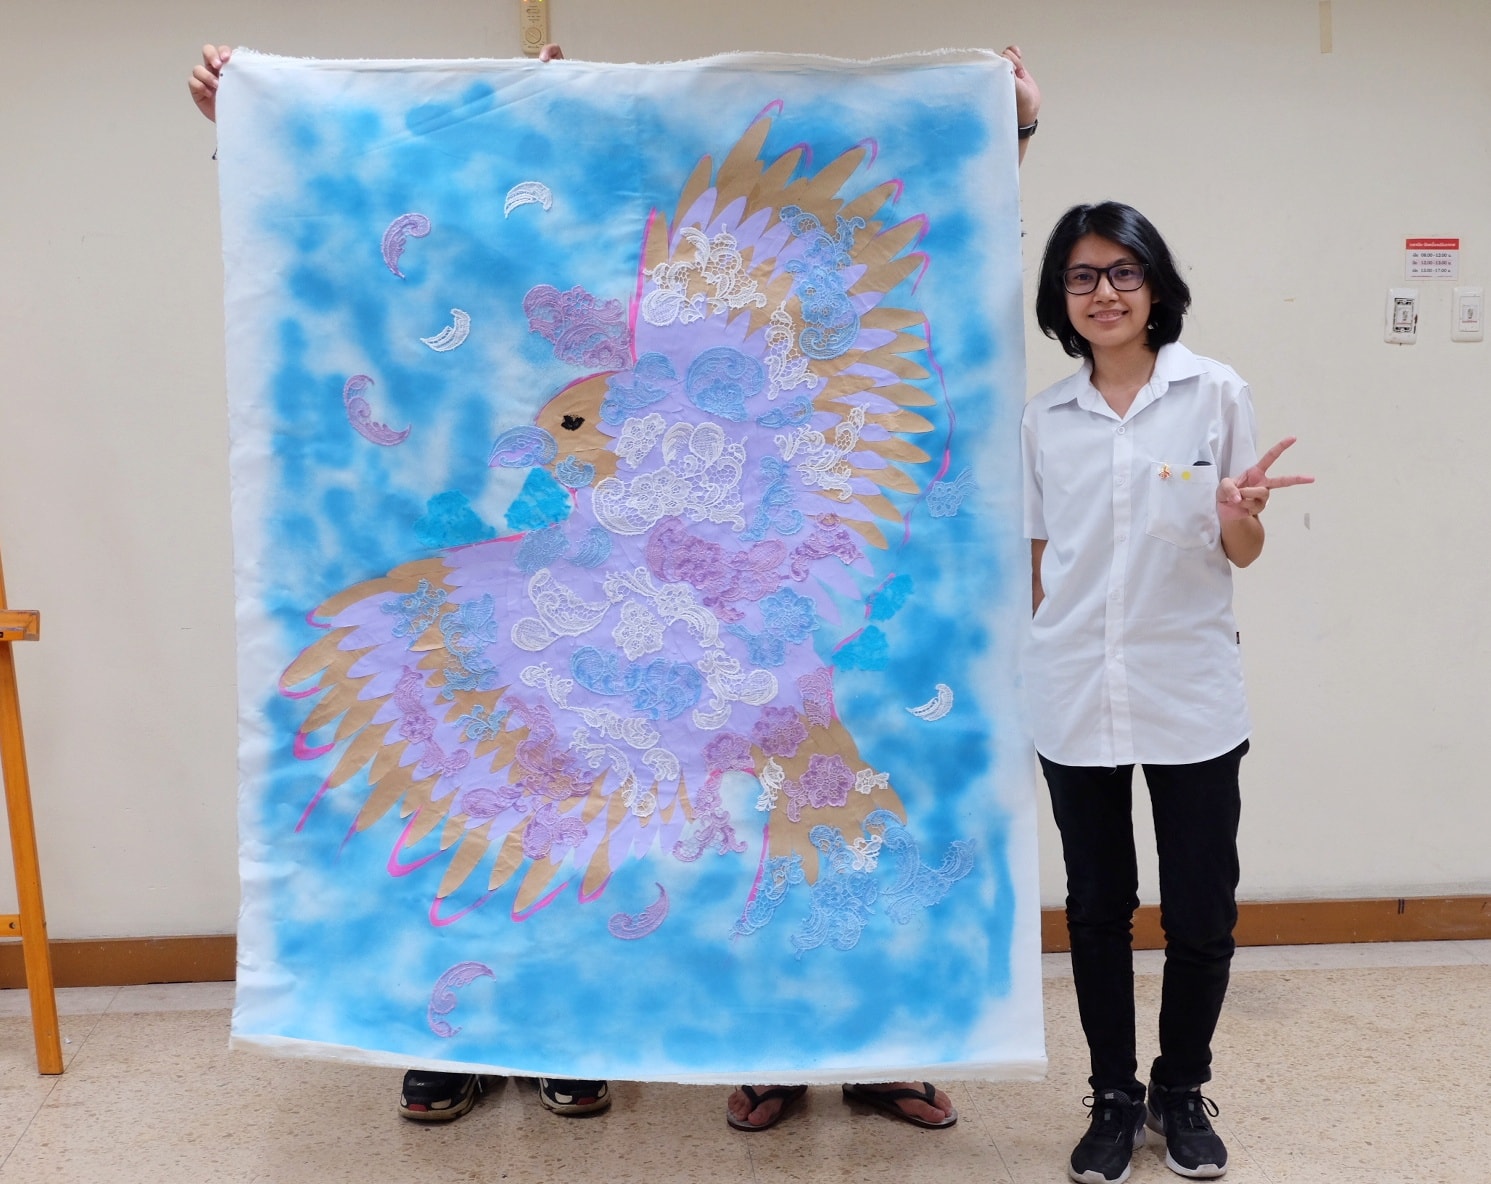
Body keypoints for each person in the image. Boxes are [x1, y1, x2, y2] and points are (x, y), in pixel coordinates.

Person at [188, 39, 607, 1125]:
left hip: (564, 576)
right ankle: (445, 1033)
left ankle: (560, 1024)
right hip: (439, 550)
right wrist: (254, 123)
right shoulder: (413, 277)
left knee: (560, 777)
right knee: (454, 772)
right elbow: (321, 229)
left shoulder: (577, 264)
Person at [726, 42, 1043, 1135]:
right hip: (755, 627)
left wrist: (1012, 128)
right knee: (765, 824)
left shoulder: (875, 340)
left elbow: (957, 236)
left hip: (890, 608)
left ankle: (885, 1051)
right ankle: (772, 1053)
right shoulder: (717, 363)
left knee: (882, 801)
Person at [1023, 202, 1312, 1183]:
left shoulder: (1214, 392)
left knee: (1200, 913)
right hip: (1074, 691)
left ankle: (1180, 1087)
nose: (1103, 292)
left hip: (1188, 690)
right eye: (1082, 276)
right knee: (1096, 908)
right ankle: (1113, 1095)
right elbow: (1039, 560)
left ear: (1154, 286)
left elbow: (1245, 548)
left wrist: (1238, 511)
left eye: (1123, 272)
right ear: (1060, 297)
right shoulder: (1045, 419)